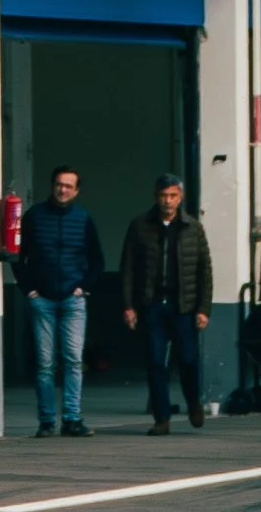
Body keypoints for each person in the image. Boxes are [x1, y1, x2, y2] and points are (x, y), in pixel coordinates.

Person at [15, 164, 105, 436]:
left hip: (73, 300)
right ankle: (46, 421)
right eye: (59, 184)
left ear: (76, 191)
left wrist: (83, 288)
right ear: (52, 186)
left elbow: (97, 260)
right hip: (42, 299)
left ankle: (72, 419)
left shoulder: (84, 218)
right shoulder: (34, 217)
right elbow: (19, 257)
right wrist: (29, 291)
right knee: (45, 363)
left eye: (69, 185)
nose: (63, 189)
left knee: (73, 360)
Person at [119, 172, 212, 432]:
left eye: (172, 196)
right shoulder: (140, 226)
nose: (167, 201)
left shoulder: (193, 227)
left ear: (180, 197)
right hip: (151, 304)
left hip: (184, 305)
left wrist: (204, 308)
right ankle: (162, 418)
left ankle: (193, 401)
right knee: (155, 361)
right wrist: (128, 306)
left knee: (189, 359)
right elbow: (127, 268)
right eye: (163, 196)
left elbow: (205, 270)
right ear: (155, 197)